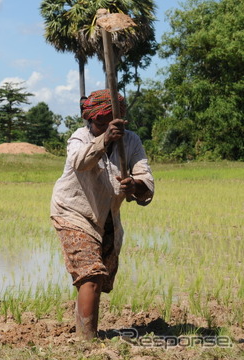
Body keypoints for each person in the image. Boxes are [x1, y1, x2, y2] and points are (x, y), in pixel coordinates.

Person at [50, 89, 154, 340]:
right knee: (91, 273)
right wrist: (105, 139)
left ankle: (83, 328)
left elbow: (145, 178)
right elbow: (80, 162)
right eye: (99, 123)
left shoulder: (131, 141)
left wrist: (135, 186)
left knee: (100, 278)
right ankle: (86, 341)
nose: (103, 127)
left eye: (109, 123)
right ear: (91, 120)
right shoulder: (80, 137)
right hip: (73, 212)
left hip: (106, 217)